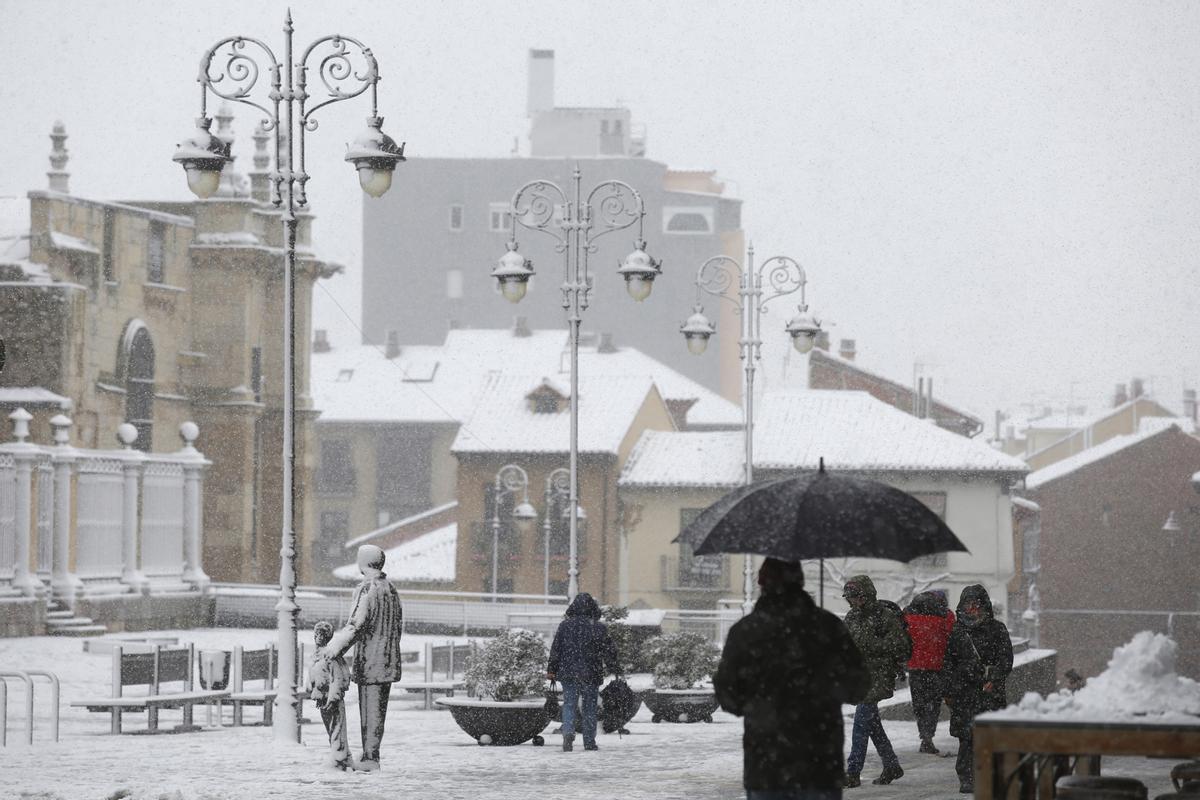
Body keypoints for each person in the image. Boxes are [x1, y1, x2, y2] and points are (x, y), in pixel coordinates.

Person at [714, 558, 870, 800]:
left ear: (762, 583)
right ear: (801, 582)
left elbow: (728, 696)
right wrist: (824, 690)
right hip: (820, 763)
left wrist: (761, 704)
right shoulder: (828, 627)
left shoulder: (746, 631)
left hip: (766, 764)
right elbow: (858, 686)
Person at [321, 544, 405, 772]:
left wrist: (335, 648)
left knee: (369, 710)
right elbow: (398, 625)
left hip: (371, 660)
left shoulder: (367, 589)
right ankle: (372, 753)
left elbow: (356, 625)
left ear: (364, 562)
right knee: (379, 711)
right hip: (388, 659)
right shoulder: (391, 589)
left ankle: (370, 758)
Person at [940, 584, 1013, 794]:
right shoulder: (957, 632)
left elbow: (1006, 659)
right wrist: (949, 690)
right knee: (967, 737)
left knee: (991, 736)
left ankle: (991, 775)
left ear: (984, 606)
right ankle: (967, 777)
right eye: (968, 605)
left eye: (976, 605)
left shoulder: (997, 630)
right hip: (964, 693)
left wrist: (995, 677)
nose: (972, 609)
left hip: (990, 693)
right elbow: (947, 664)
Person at [842, 575, 908, 788]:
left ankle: (853, 771)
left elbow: (899, 645)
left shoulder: (884, 615)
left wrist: (869, 645)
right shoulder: (851, 617)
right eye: (850, 598)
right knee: (871, 723)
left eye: (856, 597)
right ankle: (891, 765)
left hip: (879, 675)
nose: (853, 601)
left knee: (862, 720)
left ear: (866, 595)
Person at [546, 592, 619, 752]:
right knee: (589, 708)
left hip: (568, 673)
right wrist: (615, 667)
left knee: (569, 705)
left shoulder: (565, 625)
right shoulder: (598, 627)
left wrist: (551, 670)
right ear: (593, 608)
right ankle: (589, 741)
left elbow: (556, 649)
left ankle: (568, 733)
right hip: (591, 673)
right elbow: (609, 650)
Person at [904, 590, 955, 754]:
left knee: (919, 703)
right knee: (933, 704)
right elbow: (952, 637)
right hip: (937, 667)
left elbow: (903, 637)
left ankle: (924, 736)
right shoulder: (945, 616)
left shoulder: (909, 616)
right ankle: (928, 737)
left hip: (915, 667)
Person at [306, 621, 352, 770]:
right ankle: (337, 755)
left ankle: (340, 758)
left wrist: (333, 698)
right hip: (321, 697)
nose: (318, 638)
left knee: (337, 727)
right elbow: (313, 675)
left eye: (321, 635)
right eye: (316, 635)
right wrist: (313, 690)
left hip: (331, 698)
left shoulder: (330, 655)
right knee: (330, 728)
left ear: (327, 637)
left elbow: (337, 678)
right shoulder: (315, 656)